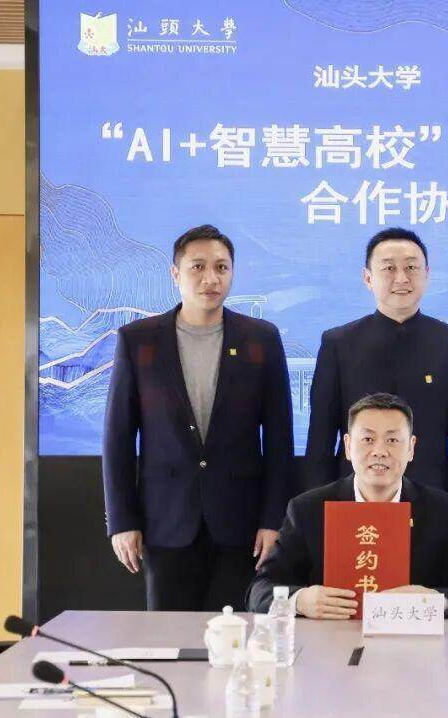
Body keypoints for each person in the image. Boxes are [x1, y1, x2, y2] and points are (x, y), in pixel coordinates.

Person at [102, 224, 294, 611]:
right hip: (165, 522)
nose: (211, 278)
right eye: (198, 267)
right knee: (168, 636)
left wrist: (273, 520)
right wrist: (122, 520)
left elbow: (279, 439)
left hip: (241, 525)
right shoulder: (139, 340)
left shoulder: (261, 339)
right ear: (175, 274)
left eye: (222, 267)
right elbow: (118, 437)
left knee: (237, 635)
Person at [305, 227, 448, 545]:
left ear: (426, 275)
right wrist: (315, 515)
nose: (402, 278)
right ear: (368, 278)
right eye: (388, 268)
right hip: (353, 506)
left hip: (433, 507)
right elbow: (320, 441)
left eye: (411, 267)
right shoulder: (338, 344)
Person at [248, 393, 448, 617]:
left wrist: (435, 600)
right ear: (348, 446)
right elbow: (259, 590)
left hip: (411, 640)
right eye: (368, 439)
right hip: (330, 639)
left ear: (411, 448)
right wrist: (300, 600)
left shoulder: (443, 511)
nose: (379, 451)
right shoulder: (308, 510)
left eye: (392, 440)